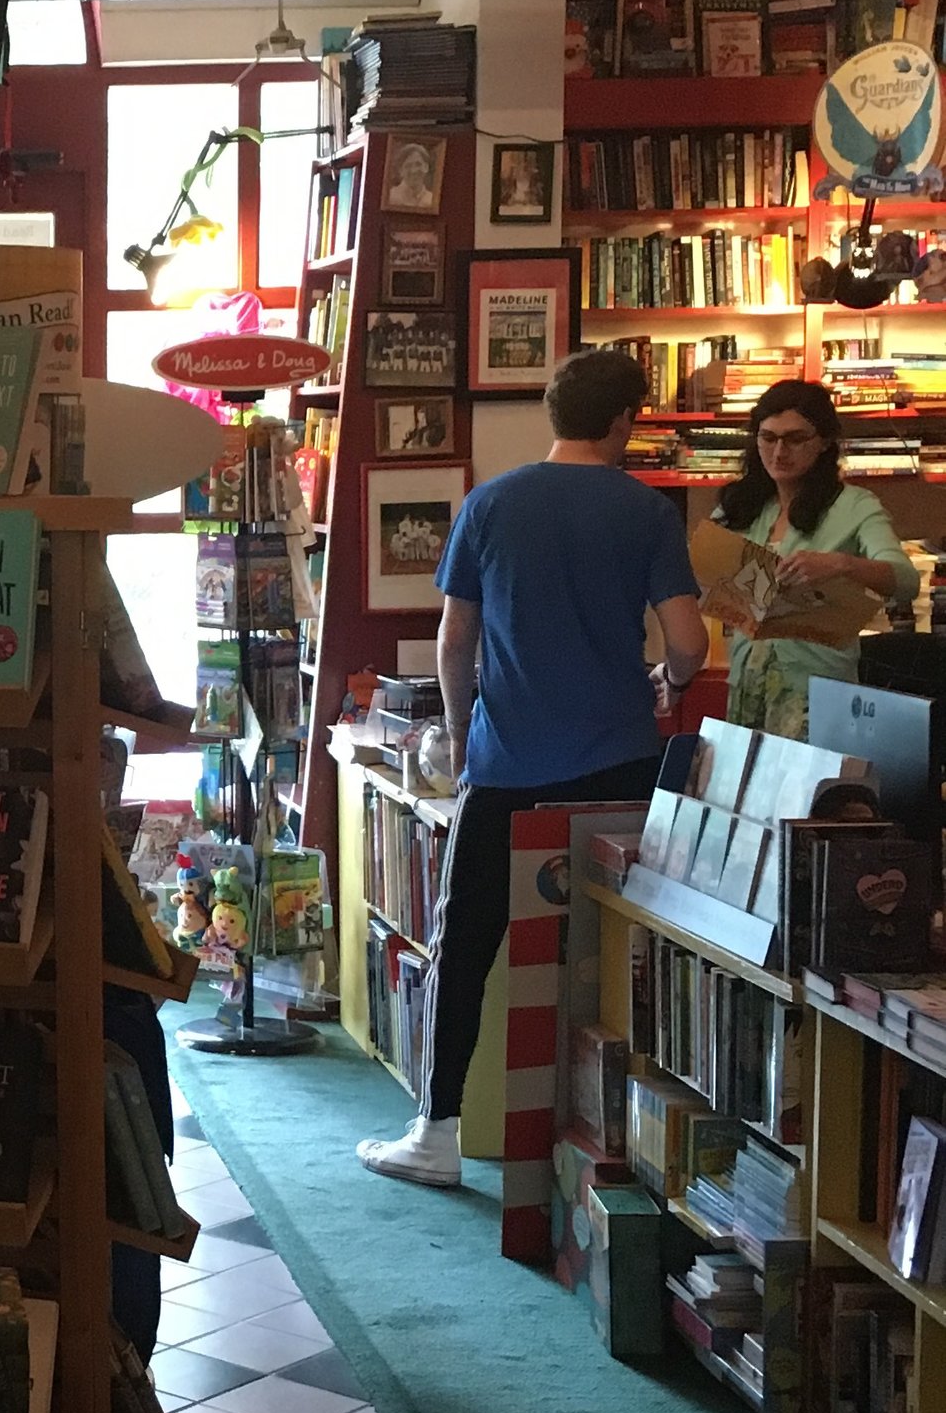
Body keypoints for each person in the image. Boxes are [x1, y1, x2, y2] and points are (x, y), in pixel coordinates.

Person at [359, 343, 708, 1188]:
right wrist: (667, 678)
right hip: (621, 764)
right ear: (624, 419)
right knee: (610, 953)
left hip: (508, 767)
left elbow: (455, 639)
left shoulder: (490, 505)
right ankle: (612, 1140)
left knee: (468, 944)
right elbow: (690, 642)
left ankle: (438, 1132)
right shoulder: (648, 511)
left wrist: (458, 726)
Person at [712, 378, 916, 740]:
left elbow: (905, 581)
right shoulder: (740, 507)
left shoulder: (854, 505)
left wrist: (842, 565)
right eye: (768, 437)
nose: (779, 452)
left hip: (817, 692)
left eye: (795, 438)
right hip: (746, 685)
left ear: (823, 442)